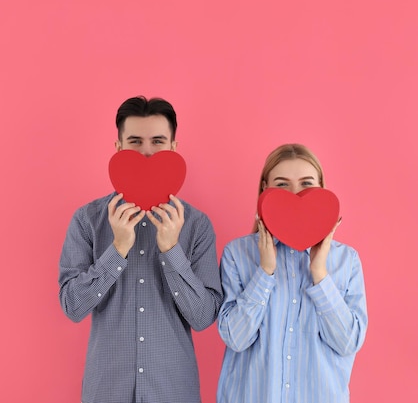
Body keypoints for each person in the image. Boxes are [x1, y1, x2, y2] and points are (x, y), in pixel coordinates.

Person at [59, 96, 223, 403]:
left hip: (174, 392)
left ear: (173, 147)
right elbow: (72, 306)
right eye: (135, 141)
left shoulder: (197, 225)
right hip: (107, 391)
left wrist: (172, 250)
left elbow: (203, 317)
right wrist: (117, 249)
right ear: (119, 147)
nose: (146, 152)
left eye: (157, 141)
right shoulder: (87, 220)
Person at [216, 143, 368, 403]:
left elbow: (348, 343)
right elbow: (235, 338)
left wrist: (319, 274)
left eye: (307, 184)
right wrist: (264, 272)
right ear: (265, 189)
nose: (295, 194)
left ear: (321, 188)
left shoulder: (346, 260)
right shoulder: (237, 255)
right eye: (282, 184)